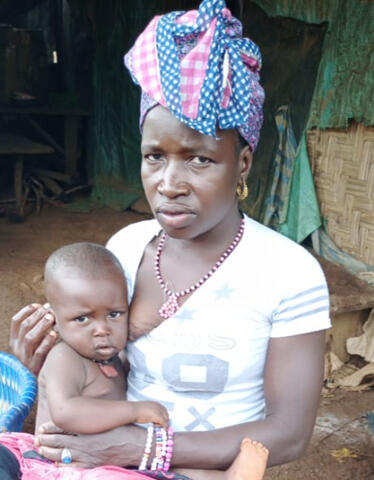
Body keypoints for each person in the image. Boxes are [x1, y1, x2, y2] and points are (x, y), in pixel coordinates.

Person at [9, 0, 330, 476]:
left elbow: (289, 433)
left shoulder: (287, 271)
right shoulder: (123, 249)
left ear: (242, 165)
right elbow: (105, 369)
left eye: (199, 159)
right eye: (154, 156)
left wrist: (143, 449)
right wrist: (50, 363)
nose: (169, 182)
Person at [1, 241, 269, 480]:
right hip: (66, 467)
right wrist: (136, 411)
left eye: (115, 314)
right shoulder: (65, 358)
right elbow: (66, 412)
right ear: (55, 320)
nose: (101, 329)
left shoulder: (112, 358)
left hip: (107, 460)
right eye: (82, 318)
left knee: (183, 469)